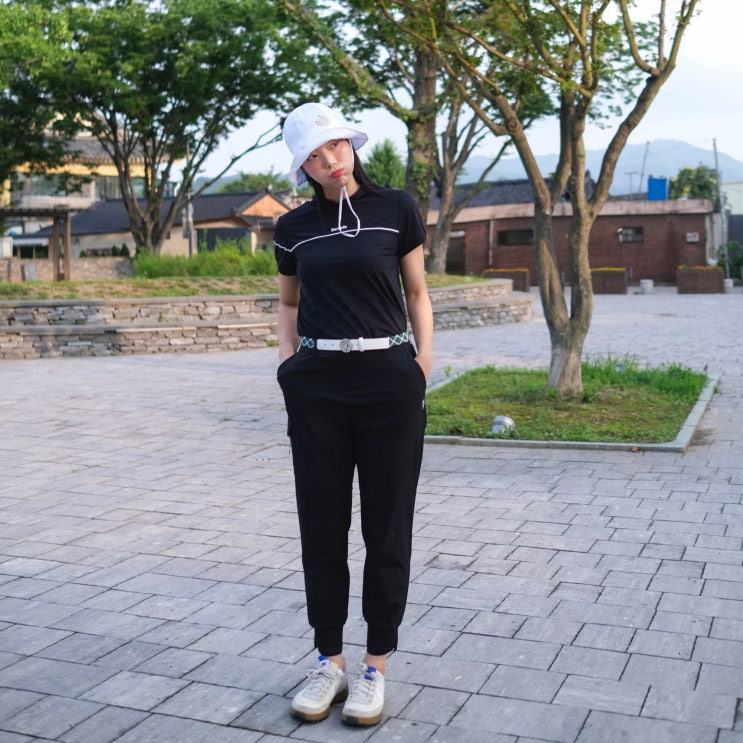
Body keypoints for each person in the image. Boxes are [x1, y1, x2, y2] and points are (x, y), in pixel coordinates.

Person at [273, 102, 433, 727]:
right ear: (304, 167)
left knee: (387, 526)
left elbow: (416, 291)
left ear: (351, 145)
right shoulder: (293, 227)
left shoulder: (396, 208)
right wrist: (287, 365)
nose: (330, 160)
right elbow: (289, 304)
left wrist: (421, 365)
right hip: (317, 385)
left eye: (335, 145)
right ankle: (329, 661)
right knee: (322, 524)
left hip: (388, 379)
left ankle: (375, 666)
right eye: (314, 156)